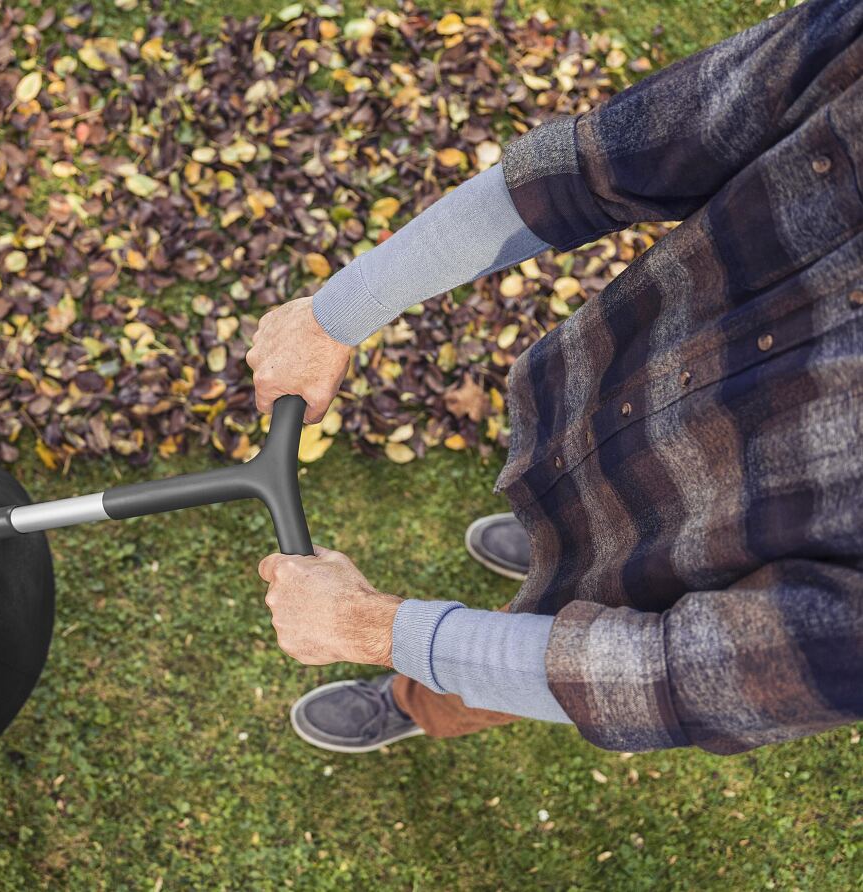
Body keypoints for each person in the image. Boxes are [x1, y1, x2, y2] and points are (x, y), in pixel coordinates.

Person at [248, 0, 863, 756]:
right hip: (597, 406)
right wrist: (333, 314)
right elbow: (604, 161)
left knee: (509, 659)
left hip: (671, 587)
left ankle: (414, 698)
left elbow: (665, 680)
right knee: (559, 524)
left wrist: (372, 630)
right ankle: (553, 538)